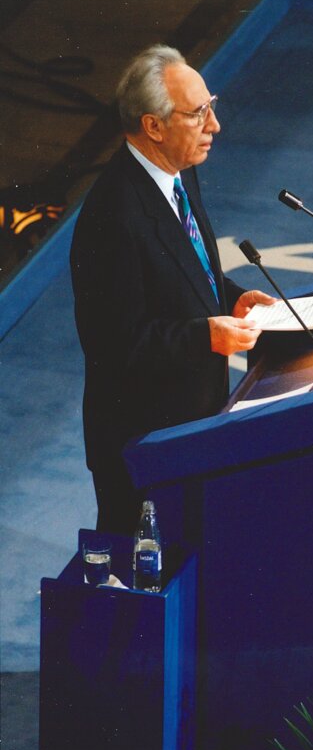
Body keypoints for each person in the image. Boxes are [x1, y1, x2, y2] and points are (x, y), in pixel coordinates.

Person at [71, 44, 274, 534]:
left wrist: (231, 298)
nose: (214, 126)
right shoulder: (112, 217)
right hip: (144, 446)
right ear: (153, 126)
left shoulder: (179, 174)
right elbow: (115, 345)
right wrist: (207, 336)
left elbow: (185, 270)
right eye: (197, 114)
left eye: (212, 106)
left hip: (193, 422)